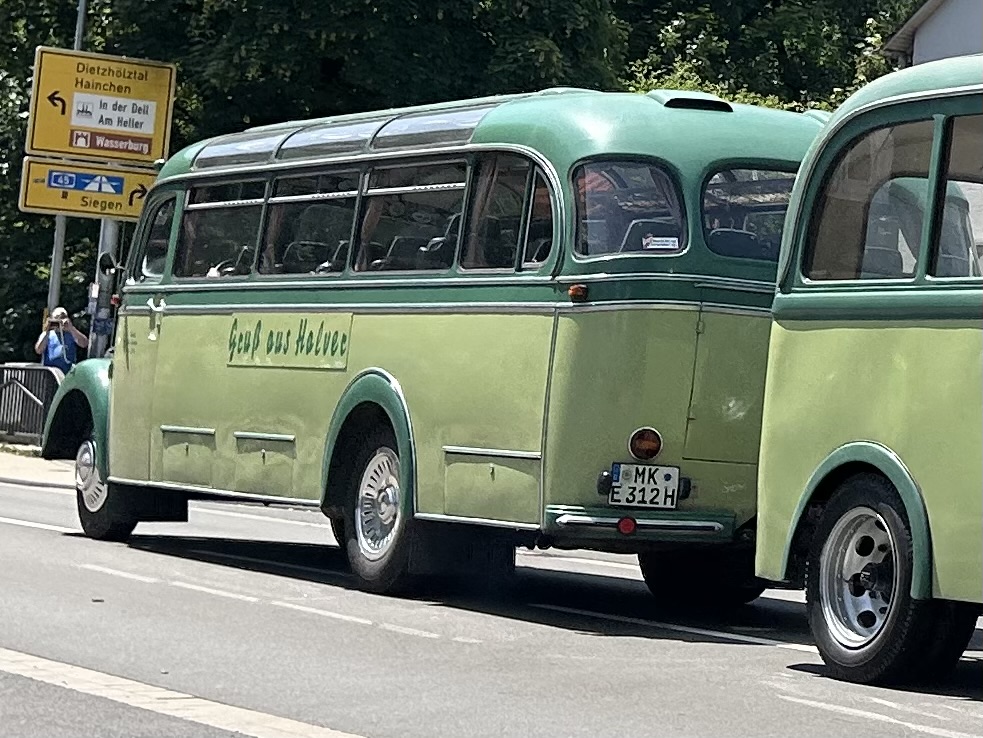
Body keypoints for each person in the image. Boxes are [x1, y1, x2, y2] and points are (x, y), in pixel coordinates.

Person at [34, 307, 88, 374]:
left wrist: (71, 328)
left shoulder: (72, 333)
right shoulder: (48, 334)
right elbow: (39, 350)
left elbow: (84, 344)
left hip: (68, 372)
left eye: (62, 317)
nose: (59, 321)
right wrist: (47, 330)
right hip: (51, 373)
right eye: (56, 318)